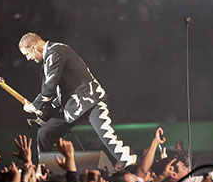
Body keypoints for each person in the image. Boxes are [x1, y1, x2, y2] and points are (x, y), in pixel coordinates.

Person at [18, 32, 136, 167]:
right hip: (72, 107)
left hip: (91, 101)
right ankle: (46, 170)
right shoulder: (51, 55)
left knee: (109, 137)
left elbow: (49, 87)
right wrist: (43, 110)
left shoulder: (55, 52)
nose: (28, 59)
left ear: (34, 48)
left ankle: (134, 166)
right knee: (45, 132)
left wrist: (34, 106)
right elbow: (58, 90)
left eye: (27, 54)